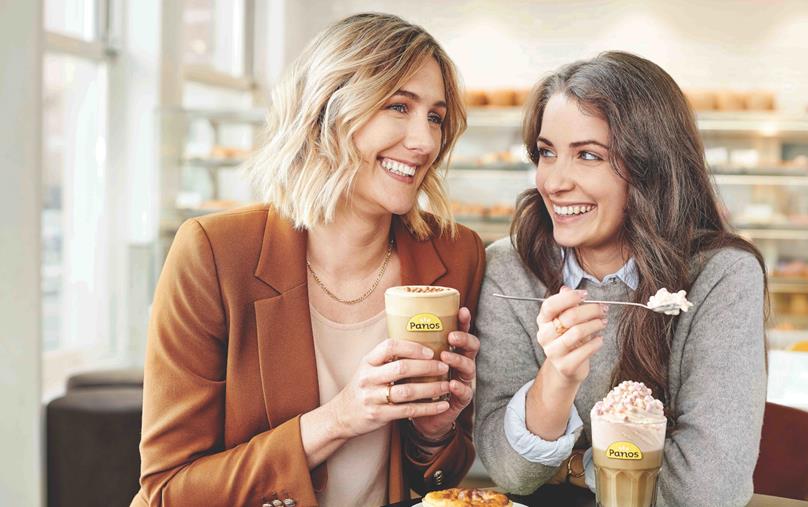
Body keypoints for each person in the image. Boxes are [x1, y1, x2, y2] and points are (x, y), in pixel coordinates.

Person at [132, 13, 485, 507]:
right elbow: (168, 491)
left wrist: (433, 432)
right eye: (398, 106)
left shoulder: (454, 254)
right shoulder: (213, 254)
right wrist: (338, 419)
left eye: (435, 117)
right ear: (325, 111)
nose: (425, 142)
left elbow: (436, 482)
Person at [474, 51, 767, 507]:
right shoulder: (509, 269)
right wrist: (559, 376)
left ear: (651, 166)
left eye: (588, 155)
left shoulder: (720, 276)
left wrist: (574, 466)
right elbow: (510, 470)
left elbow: (707, 490)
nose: (553, 181)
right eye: (546, 153)